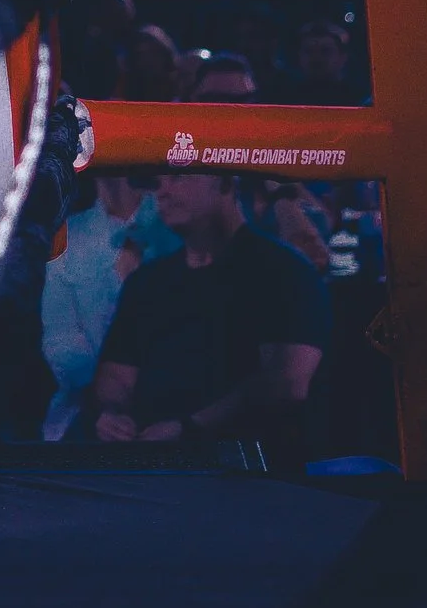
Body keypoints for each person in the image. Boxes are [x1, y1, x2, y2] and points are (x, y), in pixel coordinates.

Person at [91, 171, 329, 456]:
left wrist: (190, 427)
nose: (162, 192)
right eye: (158, 183)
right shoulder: (147, 283)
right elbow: (115, 375)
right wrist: (113, 415)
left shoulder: (282, 271)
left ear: (226, 183)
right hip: (152, 468)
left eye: (178, 178)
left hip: (248, 470)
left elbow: (286, 383)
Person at [39, 169, 177, 439]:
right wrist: (107, 403)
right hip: (84, 417)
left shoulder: (177, 222)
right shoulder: (68, 238)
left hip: (175, 413)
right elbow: (61, 349)